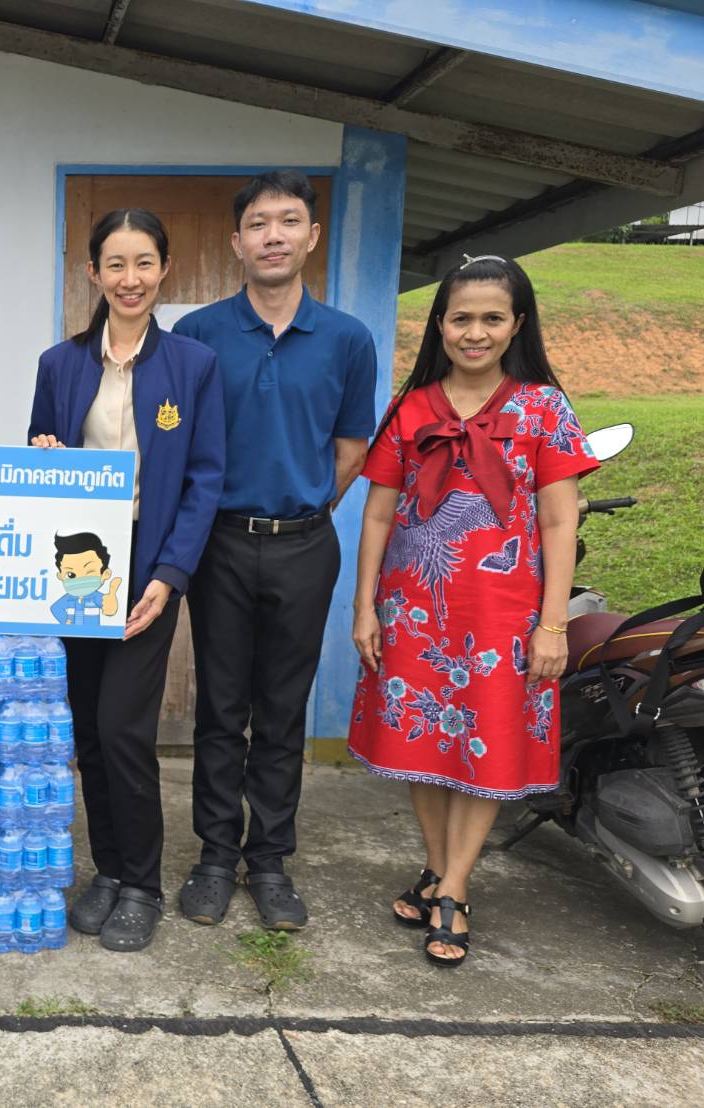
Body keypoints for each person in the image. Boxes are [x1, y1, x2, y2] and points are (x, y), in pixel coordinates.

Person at [348, 254, 597, 967]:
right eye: (461, 317)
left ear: (516, 324)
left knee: (484, 748)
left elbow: (558, 522)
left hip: (502, 618)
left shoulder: (543, 409)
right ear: (439, 323)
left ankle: (454, 887)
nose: (474, 332)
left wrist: (552, 623)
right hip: (413, 614)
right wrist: (364, 608)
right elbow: (376, 517)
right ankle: (436, 868)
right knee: (422, 746)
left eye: (492, 318)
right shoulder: (411, 407)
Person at [173, 170, 377, 931]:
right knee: (220, 710)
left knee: (282, 713)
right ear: (236, 241)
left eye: (288, 221)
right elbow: (176, 441)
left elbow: (352, 447)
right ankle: (214, 858)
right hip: (218, 544)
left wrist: (300, 509)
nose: (273, 235)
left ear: (310, 237)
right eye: (258, 223)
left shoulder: (347, 339)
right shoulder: (197, 335)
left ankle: (269, 862)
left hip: (303, 543)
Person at [30, 208, 225, 952]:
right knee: (86, 731)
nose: (129, 278)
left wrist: (171, 575)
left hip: (146, 570)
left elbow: (205, 480)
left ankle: (140, 881)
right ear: (92, 274)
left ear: (163, 270)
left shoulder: (193, 367)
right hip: (77, 568)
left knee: (123, 731)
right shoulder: (59, 363)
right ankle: (107, 871)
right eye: (115, 264)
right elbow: (36, 453)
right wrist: (43, 451)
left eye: (143, 263)